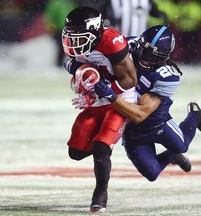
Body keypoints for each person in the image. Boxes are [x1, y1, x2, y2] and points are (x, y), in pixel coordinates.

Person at [94, 25, 201, 181]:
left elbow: (139, 114)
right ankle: (172, 156)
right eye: (144, 50)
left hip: (156, 123)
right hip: (133, 132)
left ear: (163, 58)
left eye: (151, 55)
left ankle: (195, 114)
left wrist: (111, 95)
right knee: (152, 173)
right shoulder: (127, 46)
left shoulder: (165, 77)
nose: (143, 57)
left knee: (182, 146)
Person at [61, 6, 137, 214]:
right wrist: (82, 72)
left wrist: (105, 92)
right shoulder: (78, 43)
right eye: (70, 36)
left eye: (78, 37)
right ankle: (102, 151)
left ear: (95, 32)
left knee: (100, 148)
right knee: (75, 152)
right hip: (96, 100)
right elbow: (69, 62)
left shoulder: (111, 43)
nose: (72, 42)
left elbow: (130, 80)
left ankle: (100, 195)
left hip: (118, 100)